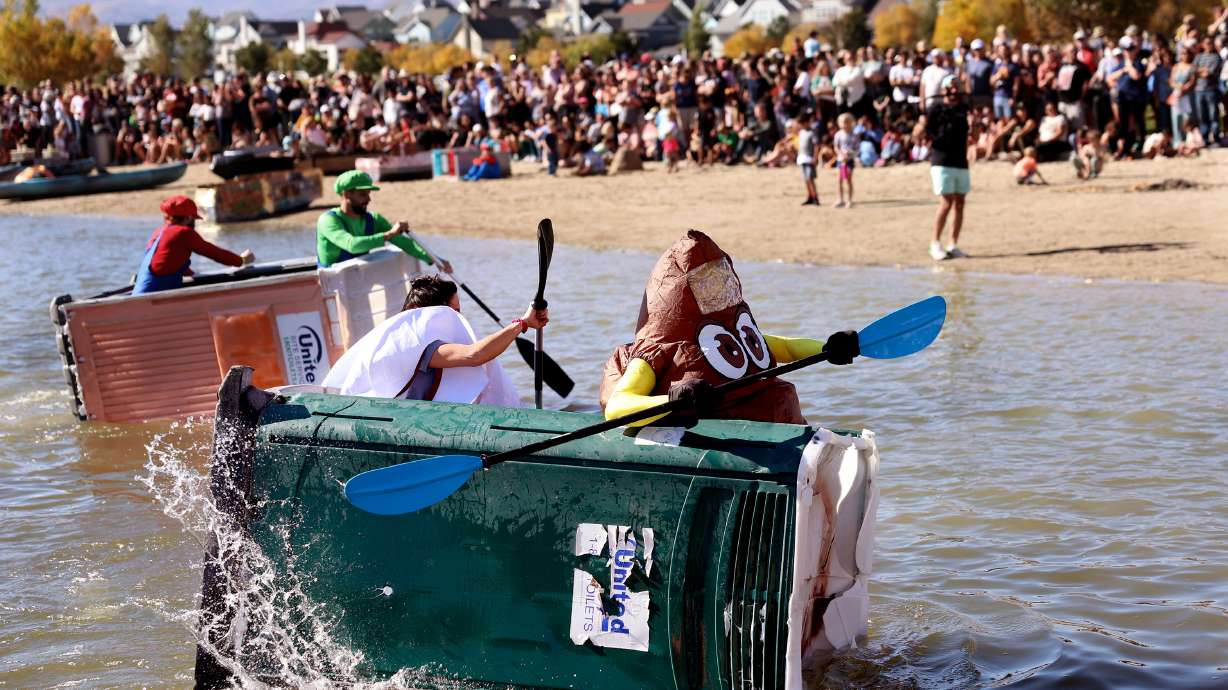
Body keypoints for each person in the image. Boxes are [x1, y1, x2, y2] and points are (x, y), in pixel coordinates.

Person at [599, 231, 859, 427]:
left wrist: (828, 348)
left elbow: (787, 347)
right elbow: (617, 407)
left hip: (776, 431)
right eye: (704, 282)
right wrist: (672, 400)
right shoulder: (656, 353)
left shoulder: (734, 337)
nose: (718, 289)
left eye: (720, 277)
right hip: (718, 443)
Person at [321, 275, 544, 405]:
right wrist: (522, 323)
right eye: (455, 311)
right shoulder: (420, 344)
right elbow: (475, 354)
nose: (460, 318)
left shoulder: (404, 336)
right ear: (434, 314)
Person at [316, 170, 451, 272]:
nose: (368, 200)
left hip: (355, 281)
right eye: (363, 194)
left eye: (369, 194)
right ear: (346, 194)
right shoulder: (328, 221)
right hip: (331, 285)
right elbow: (352, 245)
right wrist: (389, 234)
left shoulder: (373, 220)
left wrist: (434, 259)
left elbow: (405, 243)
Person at [133, 196, 254, 294]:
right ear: (188, 218)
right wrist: (241, 260)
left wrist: (191, 274)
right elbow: (213, 253)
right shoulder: (183, 233)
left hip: (140, 293)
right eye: (194, 219)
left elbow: (166, 262)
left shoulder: (159, 232)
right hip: (154, 297)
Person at [926, 75, 970, 261]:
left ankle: (953, 244)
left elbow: (970, 134)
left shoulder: (962, 110)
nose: (954, 91)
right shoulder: (936, 109)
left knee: (960, 202)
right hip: (942, 160)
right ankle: (935, 243)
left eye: (956, 87)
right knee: (946, 202)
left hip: (960, 160)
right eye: (951, 87)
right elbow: (929, 132)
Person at [833, 112, 859, 208]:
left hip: (849, 160)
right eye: (844, 122)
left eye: (848, 122)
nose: (846, 125)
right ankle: (840, 199)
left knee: (848, 180)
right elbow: (836, 147)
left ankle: (850, 200)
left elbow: (857, 148)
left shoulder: (854, 135)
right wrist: (840, 154)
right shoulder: (838, 135)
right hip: (840, 160)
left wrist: (850, 154)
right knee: (839, 180)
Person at [796, 110, 819, 206]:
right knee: (805, 178)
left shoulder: (812, 133)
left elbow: (816, 146)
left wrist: (815, 157)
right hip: (802, 158)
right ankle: (810, 196)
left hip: (809, 158)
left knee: (810, 178)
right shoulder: (801, 132)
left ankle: (815, 197)